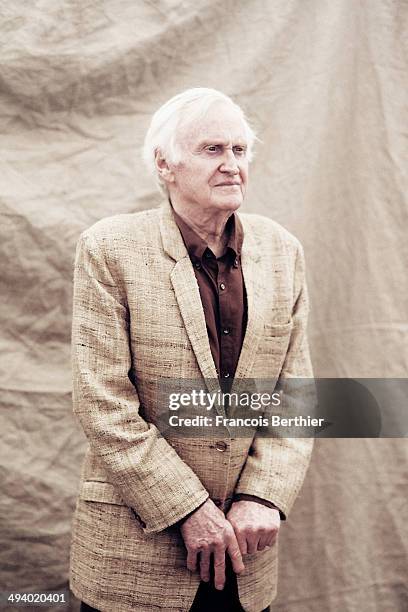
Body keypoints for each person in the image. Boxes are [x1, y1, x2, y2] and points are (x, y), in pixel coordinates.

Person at [69, 88, 314, 612]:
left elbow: (296, 394)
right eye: (212, 150)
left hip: (248, 554)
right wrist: (189, 509)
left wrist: (263, 494)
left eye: (240, 150)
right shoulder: (109, 249)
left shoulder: (282, 251)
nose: (232, 166)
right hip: (135, 552)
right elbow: (102, 403)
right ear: (165, 164)